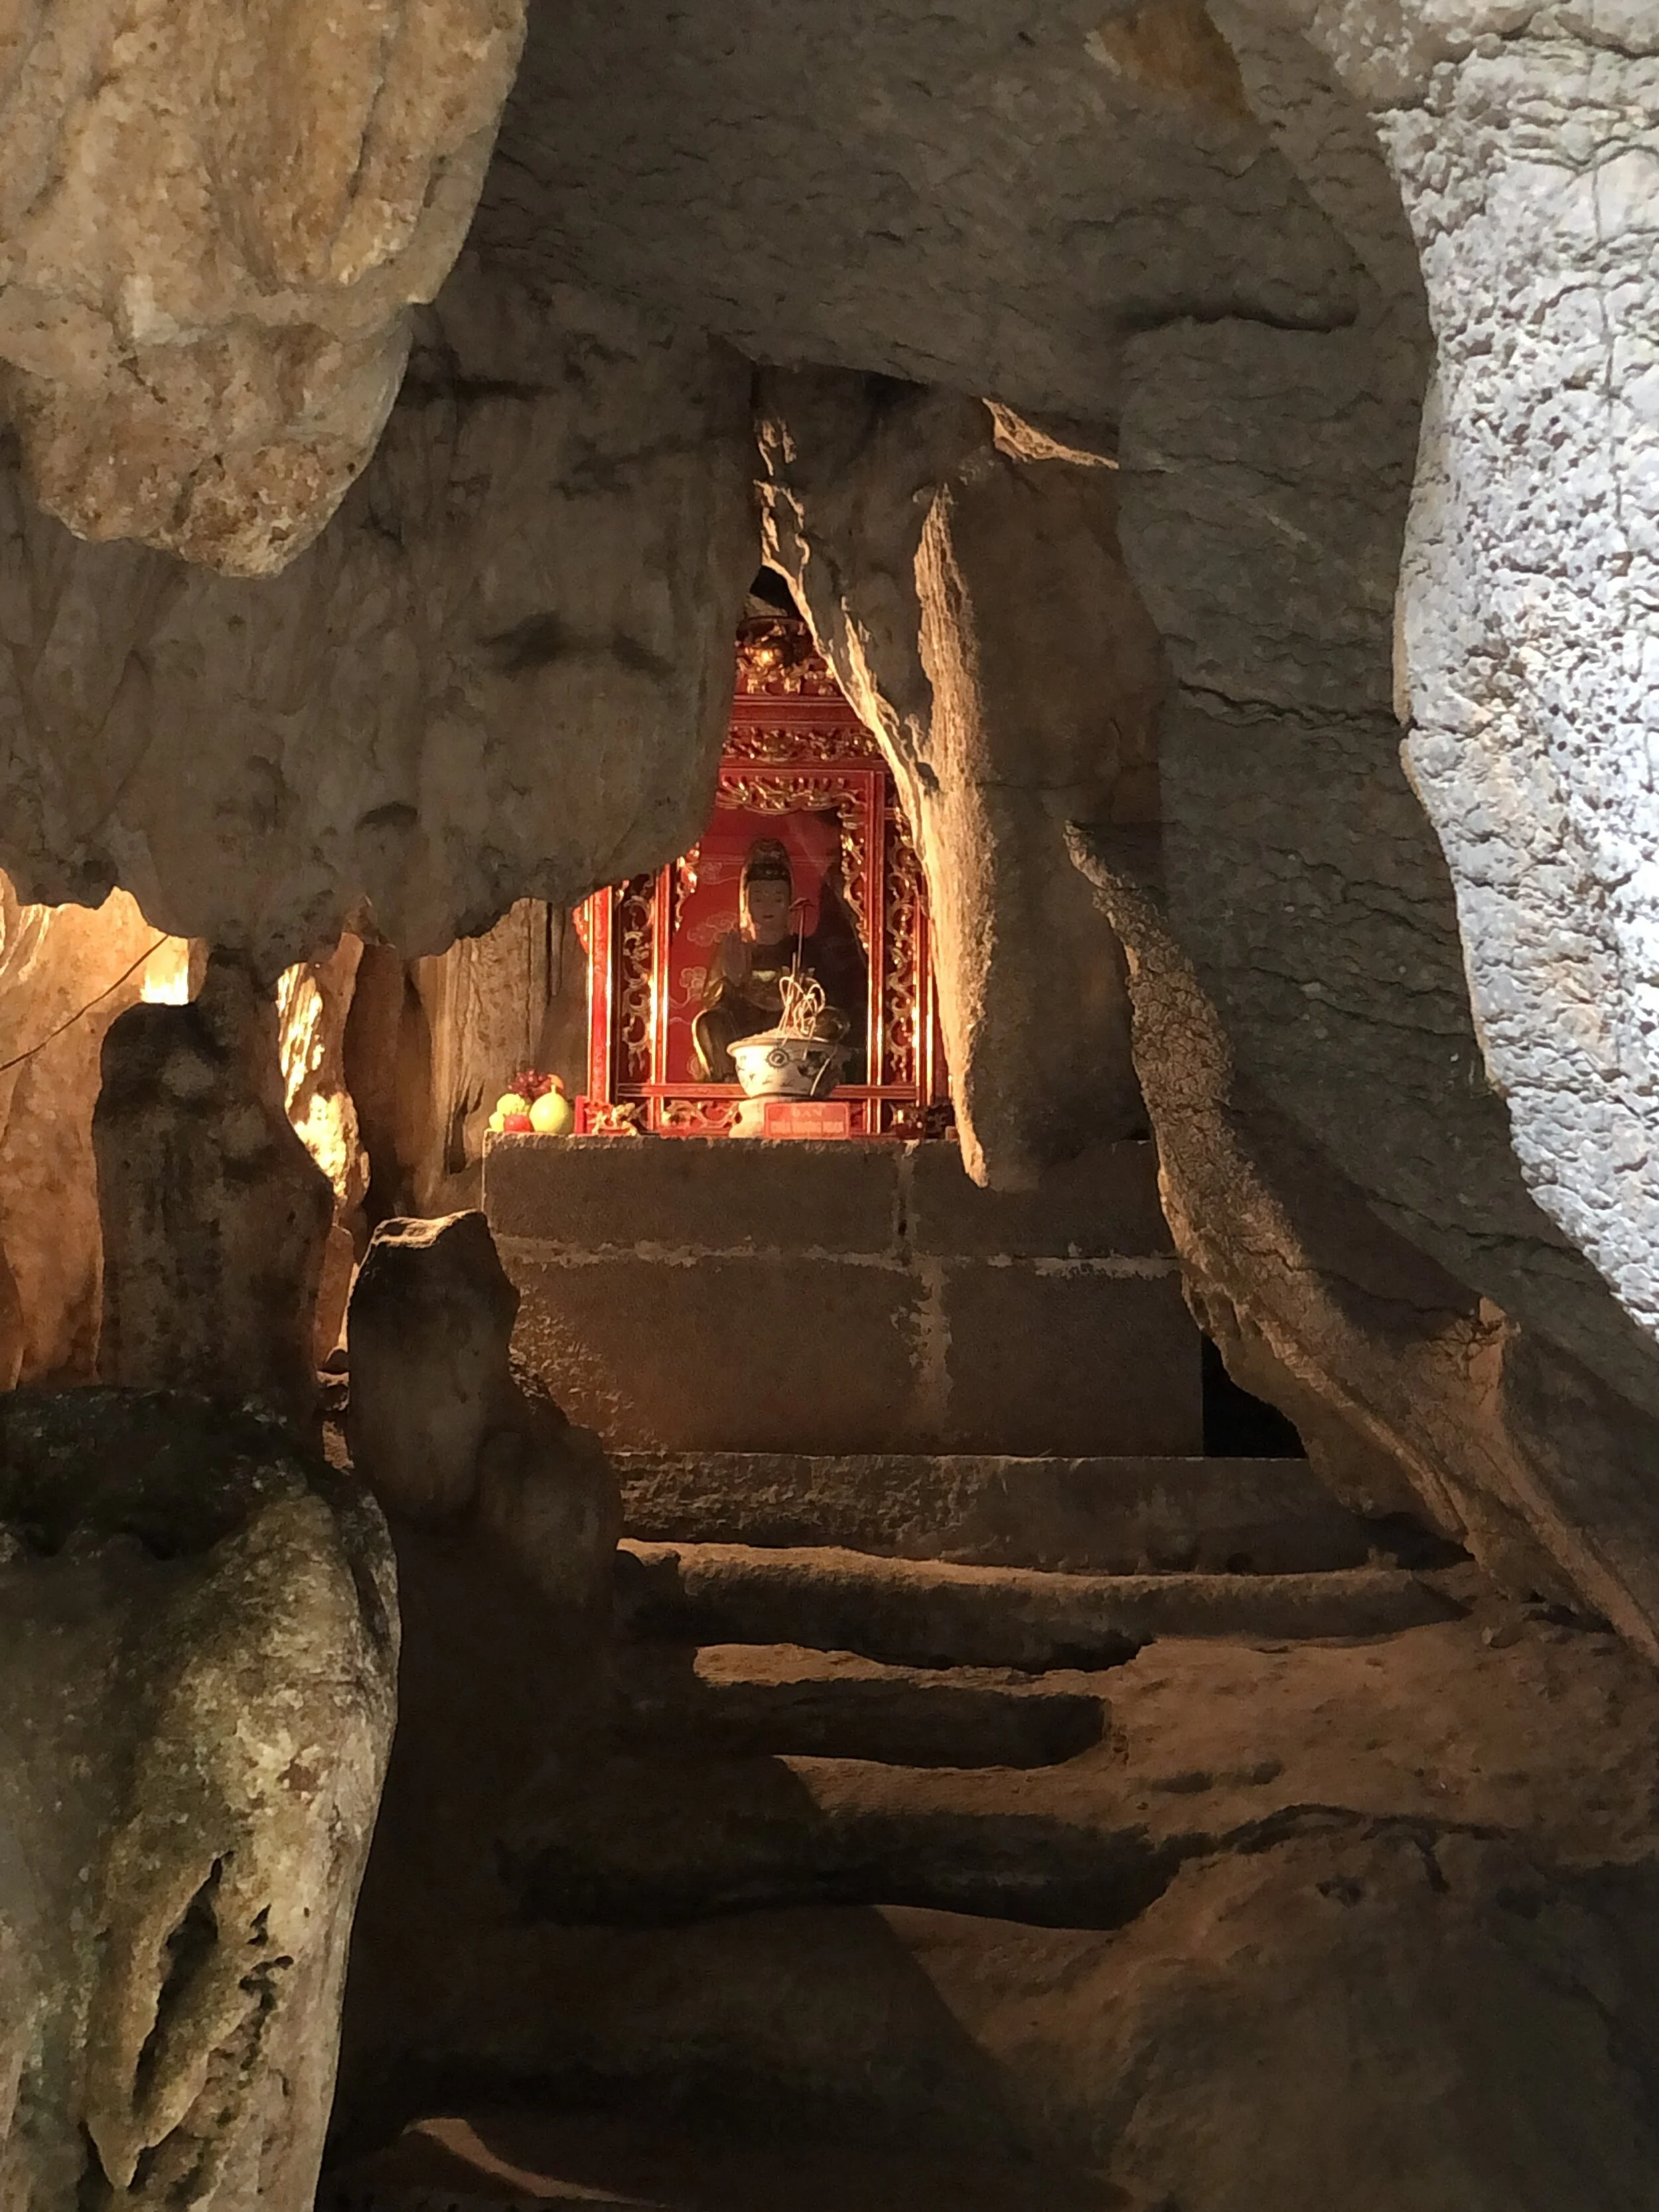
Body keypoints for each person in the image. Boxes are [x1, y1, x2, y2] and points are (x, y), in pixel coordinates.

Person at [691, 834, 866, 1082]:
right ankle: (728, 1082)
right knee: (708, 1023)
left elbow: (826, 999)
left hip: (796, 1032)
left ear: (789, 904)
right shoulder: (734, 949)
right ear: (746, 903)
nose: (768, 907)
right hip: (747, 1036)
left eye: (777, 899)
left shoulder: (805, 948)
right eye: (759, 899)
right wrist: (732, 983)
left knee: (831, 1023)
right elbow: (714, 1003)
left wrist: (804, 998)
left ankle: (813, 1080)